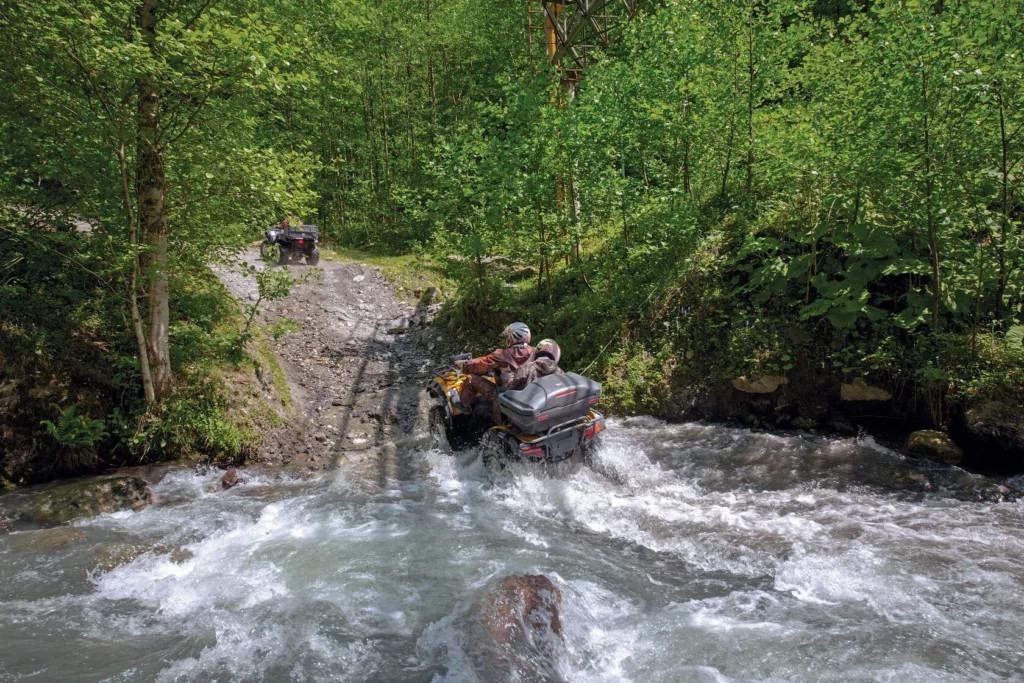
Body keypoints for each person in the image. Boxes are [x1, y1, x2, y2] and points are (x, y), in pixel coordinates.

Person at [458, 322, 535, 423]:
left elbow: (480, 364)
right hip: (530, 396)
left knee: (470, 379)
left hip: (506, 397)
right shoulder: (535, 351)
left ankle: (464, 411)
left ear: (512, 337)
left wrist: (463, 365)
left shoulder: (502, 354)